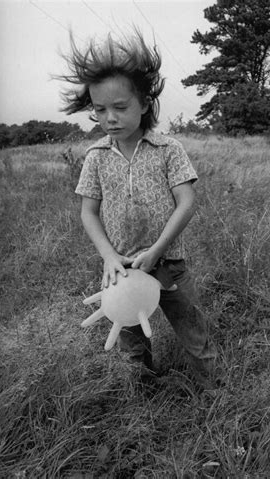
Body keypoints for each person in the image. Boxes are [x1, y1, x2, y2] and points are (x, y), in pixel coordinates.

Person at [59, 29, 219, 390]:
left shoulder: (167, 149)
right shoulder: (96, 157)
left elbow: (187, 201)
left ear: (145, 104)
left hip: (169, 264)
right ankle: (144, 393)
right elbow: (89, 212)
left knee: (192, 330)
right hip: (122, 271)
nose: (110, 118)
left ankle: (215, 391)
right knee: (130, 339)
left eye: (120, 107)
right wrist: (108, 257)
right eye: (100, 109)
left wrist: (158, 250)